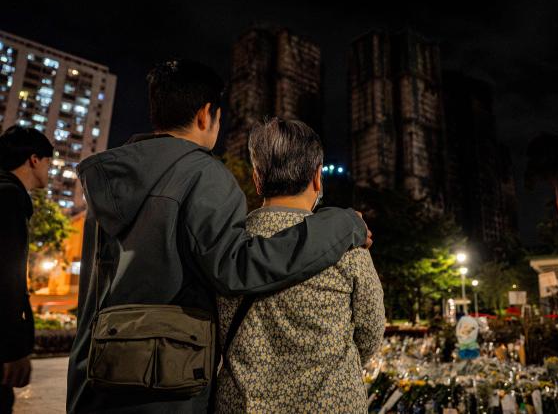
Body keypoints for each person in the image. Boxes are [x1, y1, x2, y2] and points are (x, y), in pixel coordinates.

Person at [66, 59, 372, 413]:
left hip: (99, 373)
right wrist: (342, 224)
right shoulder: (203, 173)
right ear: (205, 115)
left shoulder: (108, 180)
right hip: (165, 379)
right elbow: (236, 269)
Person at [216, 118, 385, 413]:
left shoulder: (227, 247)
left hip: (242, 406)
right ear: (318, 178)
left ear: (257, 179)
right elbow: (370, 333)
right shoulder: (349, 247)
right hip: (333, 404)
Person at [0, 126, 53, 413]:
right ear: (34, 159)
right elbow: (6, 279)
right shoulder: (9, 199)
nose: (49, 170)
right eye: (49, 163)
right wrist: (12, 349)